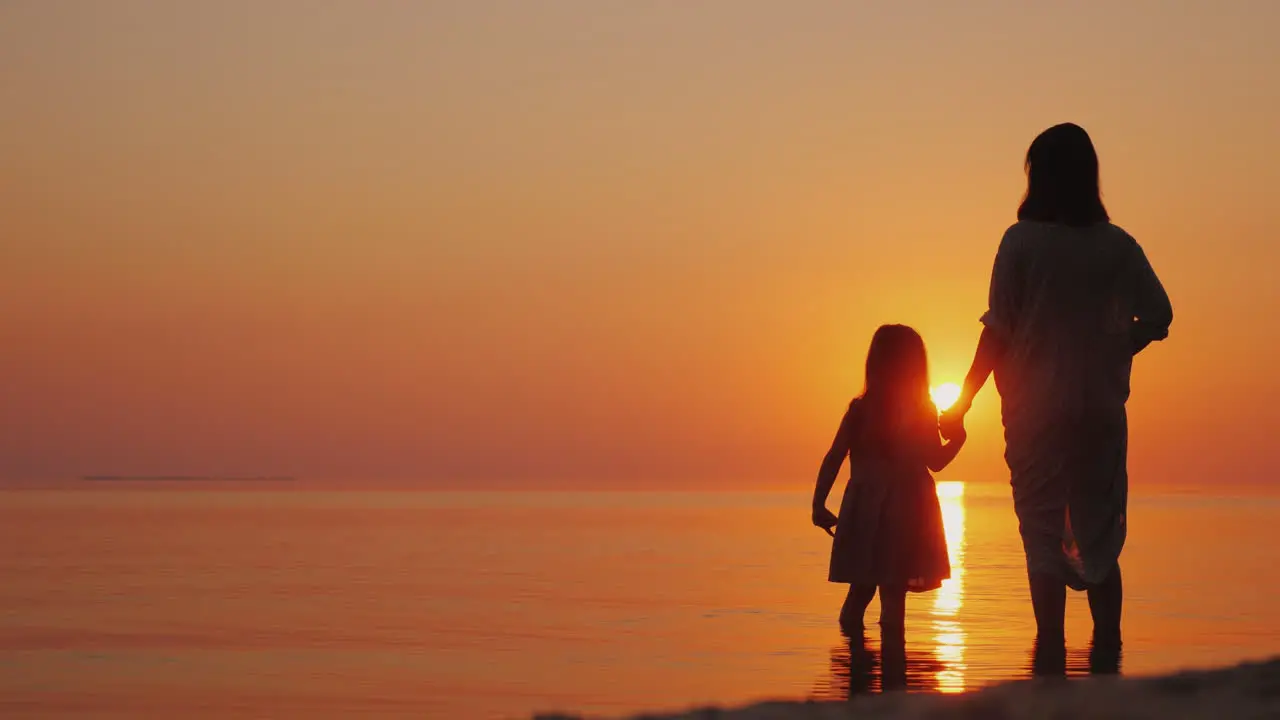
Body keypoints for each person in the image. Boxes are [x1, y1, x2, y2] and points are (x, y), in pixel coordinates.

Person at [942, 123, 1172, 670]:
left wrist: (963, 400)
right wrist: (1117, 346)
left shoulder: (1019, 243)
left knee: (1043, 536)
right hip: (1098, 411)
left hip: (1036, 415)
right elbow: (1160, 316)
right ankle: (1109, 656)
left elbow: (997, 332)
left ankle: (1049, 656)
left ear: (1037, 178)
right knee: (1098, 536)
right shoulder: (1118, 246)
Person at [812, 324, 966, 641]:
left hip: (867, 511)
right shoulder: (921, 411)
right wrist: (959, 439)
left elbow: (834, 457)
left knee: (861, 590)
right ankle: (890, 673)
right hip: (908, 512)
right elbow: (936, 461)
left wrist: (819, 503)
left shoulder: (861, 410)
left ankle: (855, 663)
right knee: (893, 596)